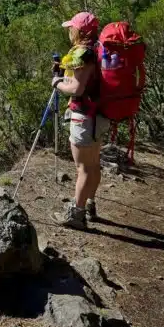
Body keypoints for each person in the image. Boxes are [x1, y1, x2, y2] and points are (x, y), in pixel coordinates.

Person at [51, 12, 110, 230]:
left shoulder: (82, 53)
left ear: (80, 31)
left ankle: (77, 214)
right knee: (93, 164)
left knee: (83, 168)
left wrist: (56, 83)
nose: (69, 31)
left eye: (72, 27)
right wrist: (63, 76)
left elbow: (76, 88)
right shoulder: (98, 48)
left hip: (84, 116)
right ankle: (89, 205)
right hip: (99, 115)